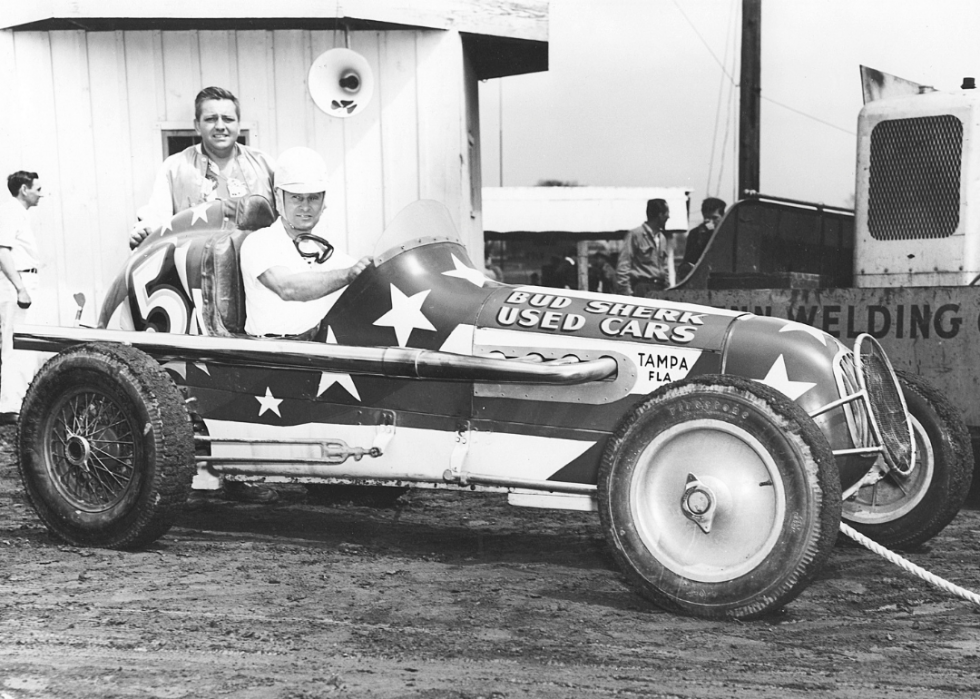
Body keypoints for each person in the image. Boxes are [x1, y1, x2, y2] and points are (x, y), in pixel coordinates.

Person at [240, 146, 372, 339]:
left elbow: (358, 274)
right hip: (271, 354)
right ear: (279, 197)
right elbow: (287, 288)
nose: (305, 206)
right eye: (296, 197)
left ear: (323, 201)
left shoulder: (320, 247)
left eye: (313, 197)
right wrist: (349, 274)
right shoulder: (259, 242)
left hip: (314, 349)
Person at [130, 86, 275, 249]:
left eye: (228, 119)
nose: (220, 126)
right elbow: (157, 217)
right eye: (211, 119)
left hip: (256, 264)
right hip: (198, 265)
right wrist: (143, 231)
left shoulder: (264, 164)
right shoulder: (175, 167)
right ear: (197, 125)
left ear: (238, 125)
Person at [0, 171, 44, 425]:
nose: (41, 194)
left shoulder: (21, 214)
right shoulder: (9, 212)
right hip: (17, 282)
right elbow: (3, 251)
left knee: (27, 343)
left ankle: (22, 402)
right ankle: (10, 407)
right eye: (37, 189)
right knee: (15, 343)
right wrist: (20, 289)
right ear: (24, 189)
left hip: (27, 280)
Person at [616, 198, 671, 297]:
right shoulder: (636, 235)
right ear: (660, 215)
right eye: (666, 213)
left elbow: (665, 267)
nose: (668, 217)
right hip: (641, 288)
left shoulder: (662, 238)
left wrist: (667, 288)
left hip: (660, 288)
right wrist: (627, 293)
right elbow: (623, 265)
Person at [678, 197, 726, 280]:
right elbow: (688, 260)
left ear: (722, 216)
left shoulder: (727, 233)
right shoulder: (695, 234)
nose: (711, 222)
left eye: (715, 218)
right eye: (707, 218)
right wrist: (702, 240)